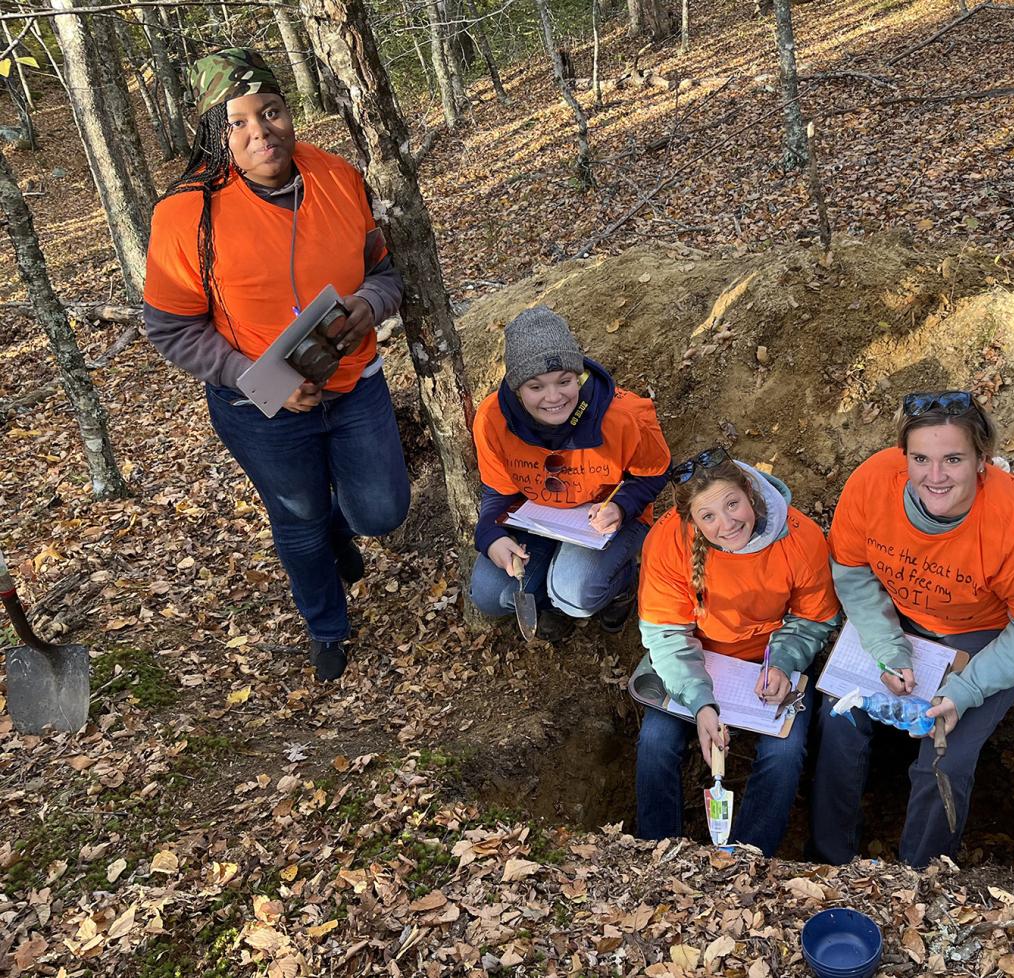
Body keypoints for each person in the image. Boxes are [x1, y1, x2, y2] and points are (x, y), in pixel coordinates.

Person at [143, 49, 410, 681]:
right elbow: (169, 327)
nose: (260, 131)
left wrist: (369, 306)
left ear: (291, 112)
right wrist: (248, 375)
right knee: (298, 519)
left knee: (382, 511)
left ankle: (340, 531)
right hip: (257, 404)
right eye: (236, 121)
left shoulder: (339, 178)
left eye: (271, 111)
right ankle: (327, 627)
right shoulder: (184, 216)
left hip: (353, 382)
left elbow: (384, 270)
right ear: (214, 131)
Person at [809, 391, 1014, 866]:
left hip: (982, 635)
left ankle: (923, 873)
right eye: (920, 459)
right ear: (903, 456)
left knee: (944, 754)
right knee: (839, 715)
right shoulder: (872, 483)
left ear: (982, 460)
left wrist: (966, 689)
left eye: (953, 459)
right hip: (899, 618)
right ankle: (831, 859)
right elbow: (850, 570)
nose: (935, 477)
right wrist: (886, 647)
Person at [631, 449, 841, 857]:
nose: (727, 524)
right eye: (708, 517)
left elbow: (814, 618)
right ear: (691, 521)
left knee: (784, 751)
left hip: (769, 663)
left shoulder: (801, 538)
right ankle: (657, 852)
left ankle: (747, 856)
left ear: (751, 493)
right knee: (656, 740)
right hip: (696, 660)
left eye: (732, 504)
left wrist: (782, 663)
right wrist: (701, 704)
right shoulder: (669, 540)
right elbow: (667, 634)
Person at [469, 307, 670, 638]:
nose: (553, 398)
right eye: (536, 387)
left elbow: (656, 472)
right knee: (490, 594)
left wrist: (622, 506)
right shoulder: (492, 419)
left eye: (564, 381)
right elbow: (498, 493)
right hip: (537, 519)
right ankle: (548, 604)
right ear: (517, 388)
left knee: (575, 595)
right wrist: (490, 536)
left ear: (578, 376)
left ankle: (622, 584)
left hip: (605, 521)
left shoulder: (623, 415)